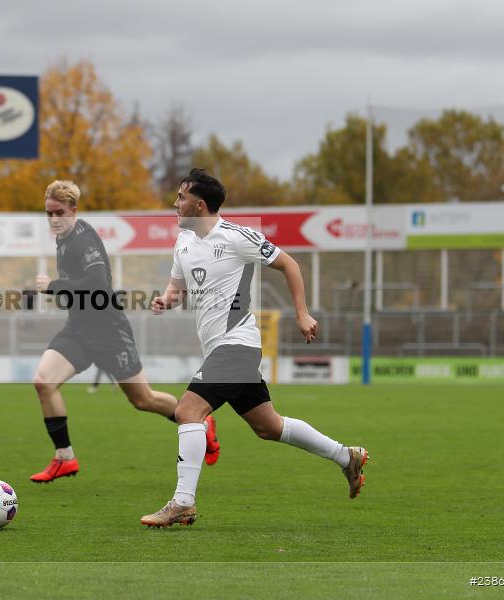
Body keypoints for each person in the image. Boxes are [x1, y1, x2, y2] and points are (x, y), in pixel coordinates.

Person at [140, 169, 368, 528]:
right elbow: (176, 288)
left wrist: (302, 313)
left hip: (237, 345)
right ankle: (346, 456)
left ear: (199, 205)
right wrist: (165, 300)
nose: (175, 203)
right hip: (219, 350)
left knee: (187, 411)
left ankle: (183, 503)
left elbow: (288, 264)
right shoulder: (182, 241)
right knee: (269, 426)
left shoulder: (235, 237)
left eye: (181, 197)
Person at [29, 179, 220, 483]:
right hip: (78, 329)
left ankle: (201, 420)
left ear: (73, 210)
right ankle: (64, 457)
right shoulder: (63, 237)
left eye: (59, 213)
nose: (53, 219)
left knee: (143, 400)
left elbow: (99, 287)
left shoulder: (83, 239)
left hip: (108, 331)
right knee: (43, 382)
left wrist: (54, 285)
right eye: (48, 214)